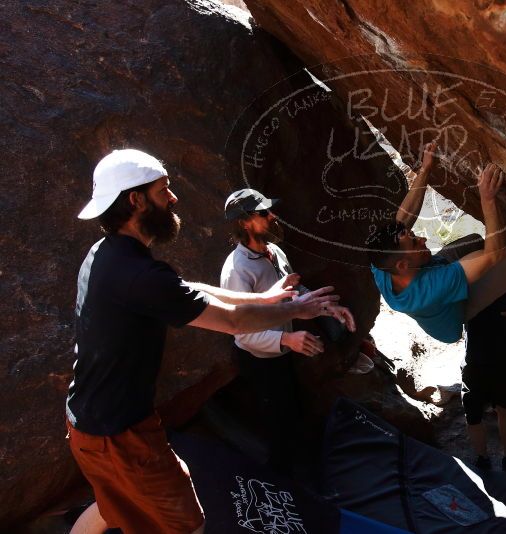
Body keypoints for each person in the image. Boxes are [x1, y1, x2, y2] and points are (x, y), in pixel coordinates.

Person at [66, 149, 349, 534]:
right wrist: (298, 310)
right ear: (136, 199)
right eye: (164, 190)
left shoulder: (108, 254)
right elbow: (233, 323)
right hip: (121, 436)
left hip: (88, 426)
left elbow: (187, 289)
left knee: (113, 505)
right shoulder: (137, 275)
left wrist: (264, 299)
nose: (173, 198)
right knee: (189, 524)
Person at [219, 188, 355, 470]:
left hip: (281, 354)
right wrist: (286, 339)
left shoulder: (274, 252)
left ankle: (305, 472)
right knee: (277, 426)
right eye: (262, 213)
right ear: (244, 222)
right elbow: (241, 332)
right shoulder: (237, 270)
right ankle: (287, 487)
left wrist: (328, 308)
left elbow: (294, 291)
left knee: (294, 413)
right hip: (258, 362)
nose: (272, 216)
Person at [370, 141, 506, 343]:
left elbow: (402, 220)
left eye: (414, 236)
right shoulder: (433, 286)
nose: (423, 239)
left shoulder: (383, 265)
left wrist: (425, 170)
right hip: (458, 312)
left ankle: (500, 248)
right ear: (402, 265)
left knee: (473, 241)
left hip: (433, 274)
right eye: (415, 243)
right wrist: (488, 199)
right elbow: (493, 256)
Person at [462, 284, 506, 472]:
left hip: (479, 358)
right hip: (498, 357)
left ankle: (487, 458)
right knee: (501, 409)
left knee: (476, 414)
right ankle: (505, 458)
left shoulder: (468, 282)